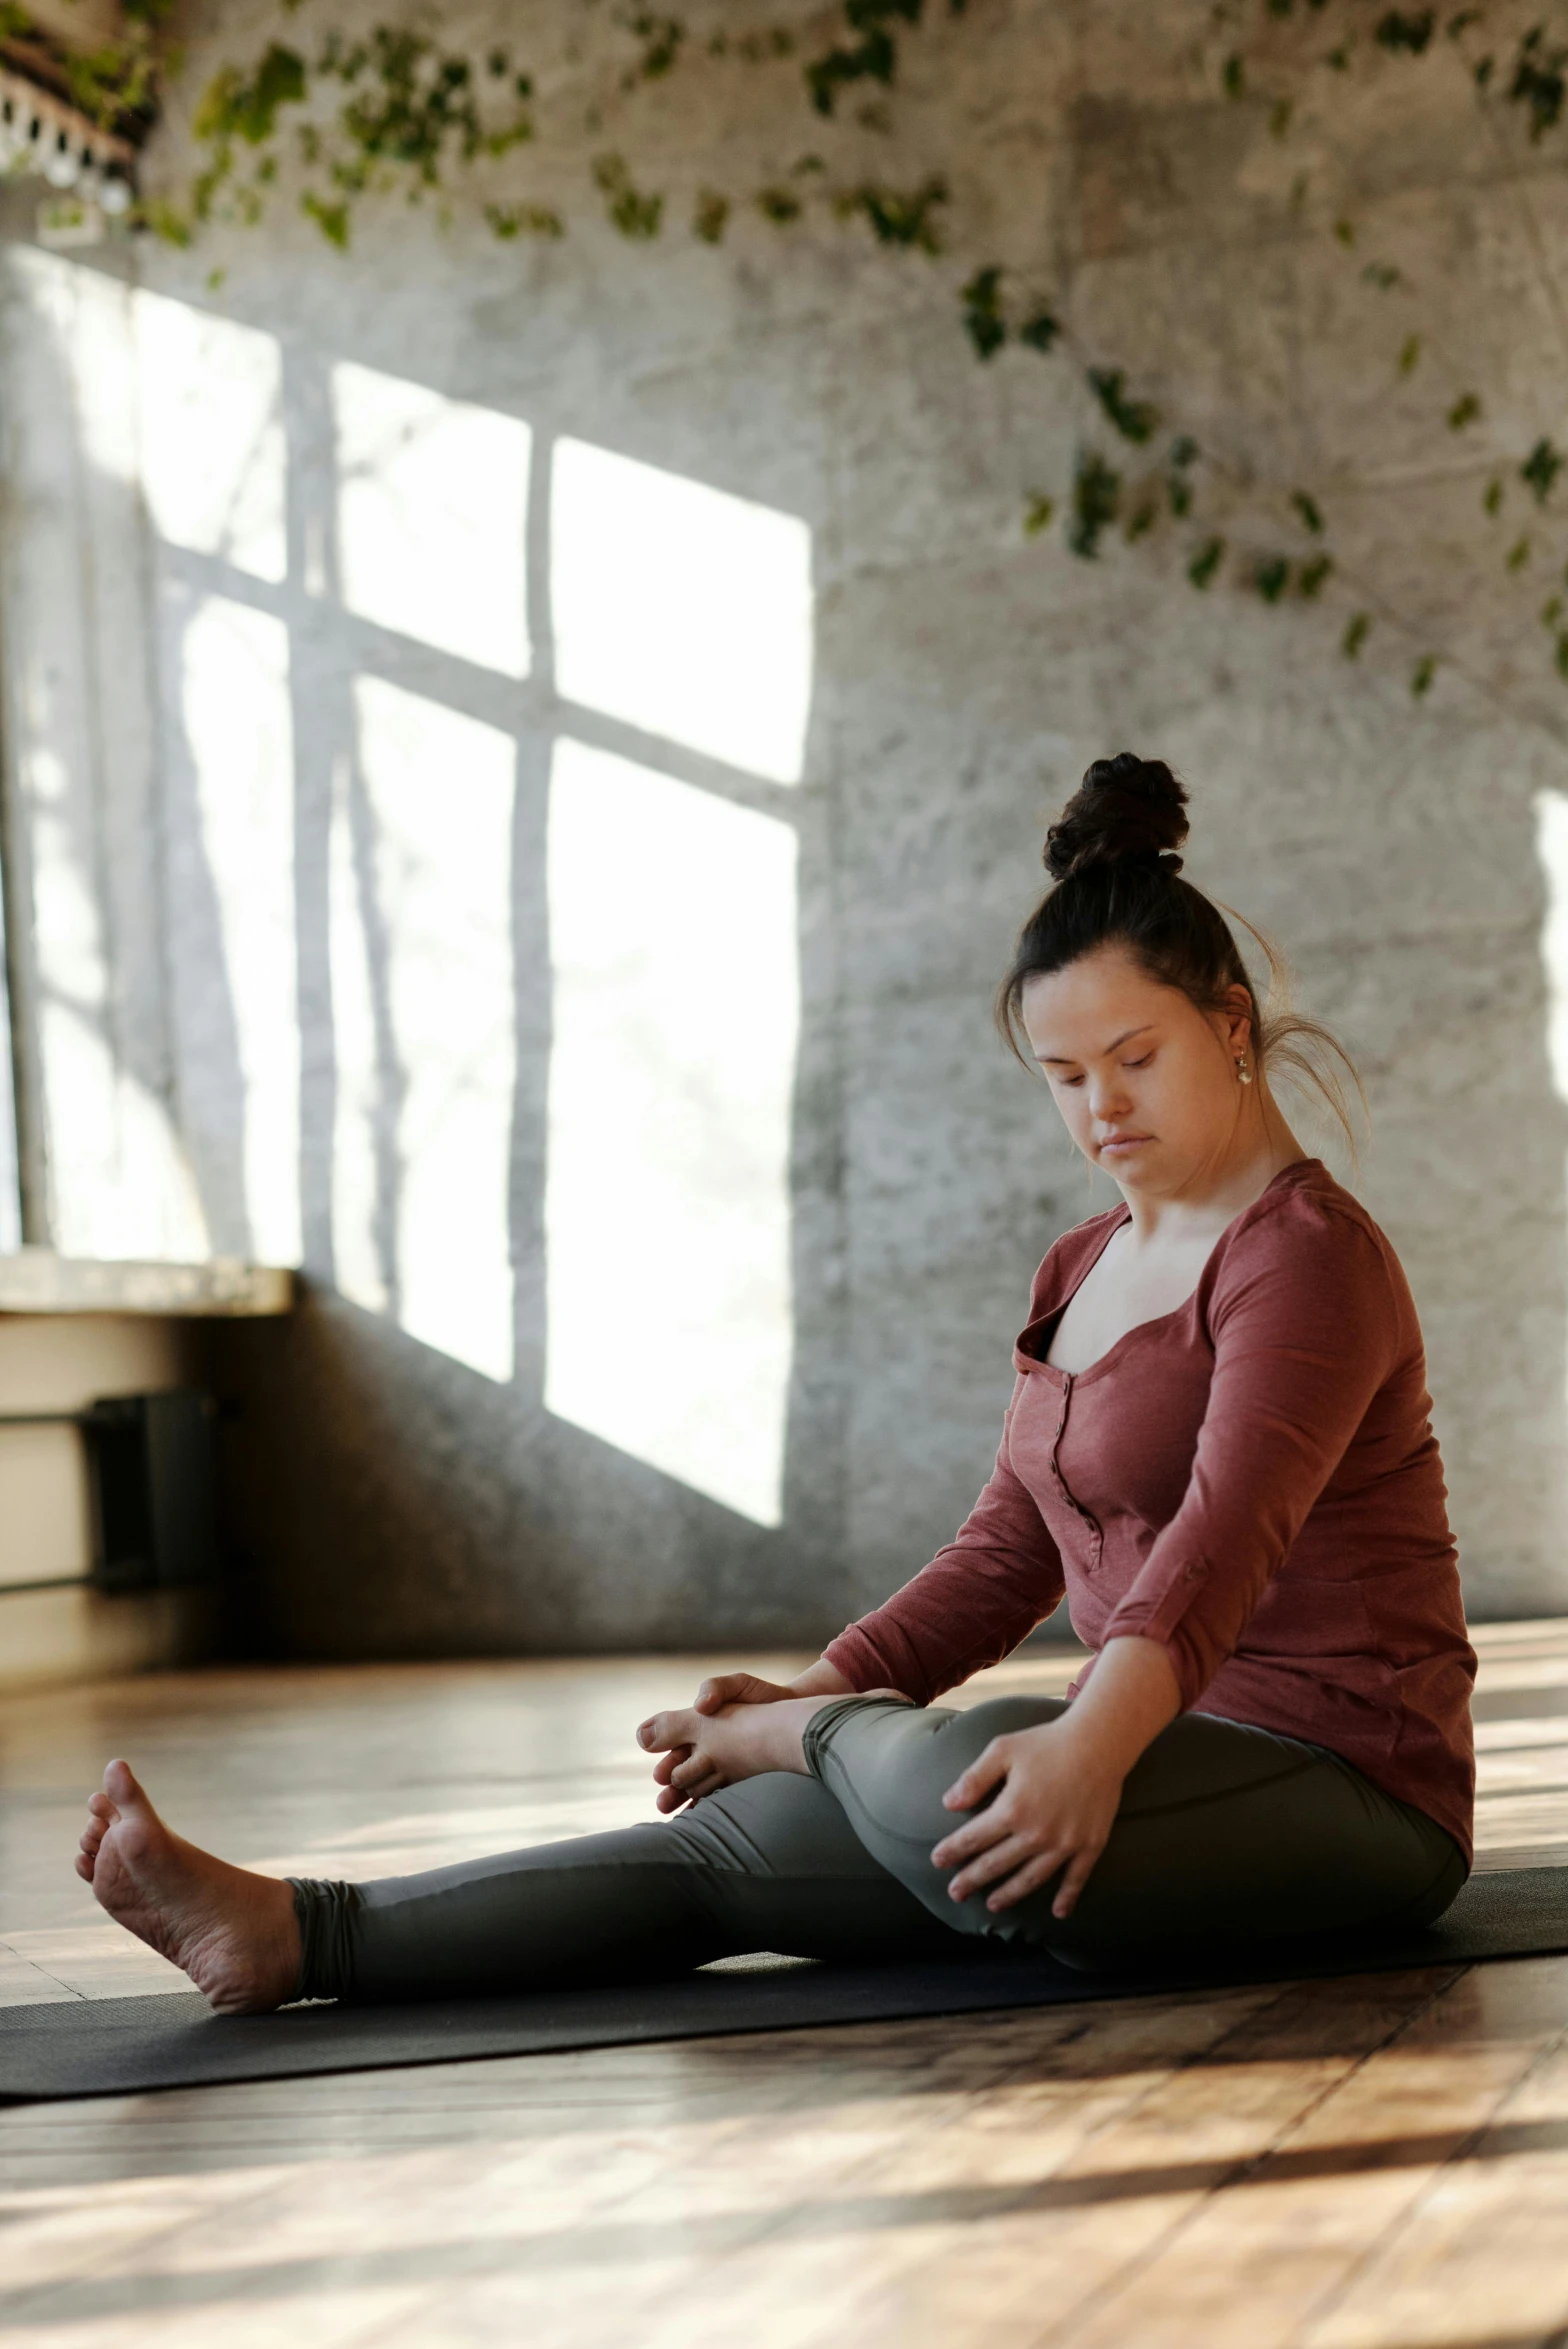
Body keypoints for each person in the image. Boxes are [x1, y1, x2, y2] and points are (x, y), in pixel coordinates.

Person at [74, 754, 1476, 2014]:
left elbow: (1225, 1539)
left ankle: (822, 1744)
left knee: (969, 1768)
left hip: (1342, 1781)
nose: (1099, 1108)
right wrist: (838, 1678)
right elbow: (1006, 1548)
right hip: (1140, 1738)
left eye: (1135, 1057)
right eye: (1061, 1075)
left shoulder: (1306, 1259)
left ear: (1229, 1024)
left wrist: (961, 1736)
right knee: (735, 1850)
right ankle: (297, 1934)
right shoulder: (1081, 1261)